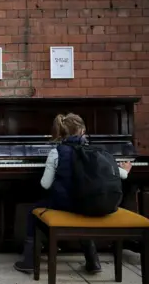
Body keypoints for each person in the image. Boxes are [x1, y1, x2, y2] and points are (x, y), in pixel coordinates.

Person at [14, 113, 132, 274]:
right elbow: (119, 175)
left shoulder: (57, 153)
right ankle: (93, 261)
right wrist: (125, 170)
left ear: (61, 132)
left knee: (33, 213)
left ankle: (28, 261)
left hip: (65, 205)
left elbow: (45, 184)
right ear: (83, 130)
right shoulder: (95, 152)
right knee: (84, 209)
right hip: (90, 203)